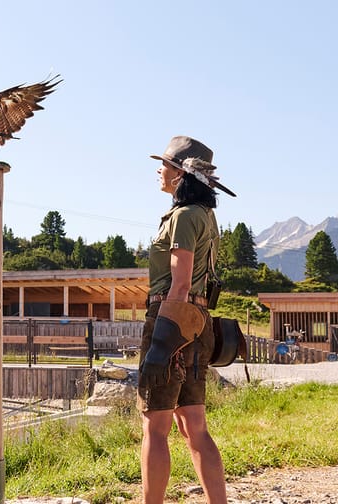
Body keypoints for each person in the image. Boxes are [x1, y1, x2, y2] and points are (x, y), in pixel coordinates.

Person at [138, 135, 236, 503]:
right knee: (194, 425)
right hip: (199, 321)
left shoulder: (182, 217)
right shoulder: (206, 215)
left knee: (156, 425)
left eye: (164, 165)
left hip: (172, 319)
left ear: (180, 174)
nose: (159, 171)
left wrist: (162, 344)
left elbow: (179, 284)